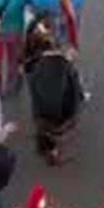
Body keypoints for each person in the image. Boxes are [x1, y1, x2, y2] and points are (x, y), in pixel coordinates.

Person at [25, 22, 84, 164]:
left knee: (43, 131)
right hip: (58, 114)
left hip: (40, 110)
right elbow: (74, 91)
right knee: (54, 135)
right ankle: (53, 155)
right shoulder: (64, 67)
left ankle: (43, 146)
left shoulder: (34, 64)